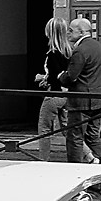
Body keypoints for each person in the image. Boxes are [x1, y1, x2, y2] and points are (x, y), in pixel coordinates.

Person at [62, 16, 101, 164]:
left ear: (82, 32)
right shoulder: (98, 46)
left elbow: (71, 76)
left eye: (71, 31)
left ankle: (75, 172)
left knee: (75, 138)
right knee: (93, 136)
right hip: (100, 98)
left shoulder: (80, 50)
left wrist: (60, 76)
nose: (68, 33)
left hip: (83, 101)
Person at [33, 17, 73, 163]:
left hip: (54, 95)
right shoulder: (70, 51)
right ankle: (89, 157)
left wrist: (43, 78)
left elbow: (55, 76)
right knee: (67, 129)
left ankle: (43, 161)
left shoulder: (52, 54)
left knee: (44, 129)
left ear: (50, 32)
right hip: (67, 94)